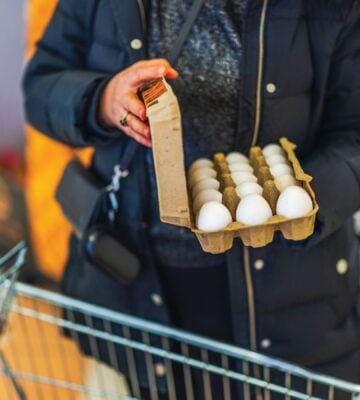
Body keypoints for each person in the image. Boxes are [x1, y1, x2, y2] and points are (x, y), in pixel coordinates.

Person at [23, 0, 360, 398]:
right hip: (136, 283)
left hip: (286, 290)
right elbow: (42, 86)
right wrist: (101, 99)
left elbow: (352, 131)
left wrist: (297, 199)